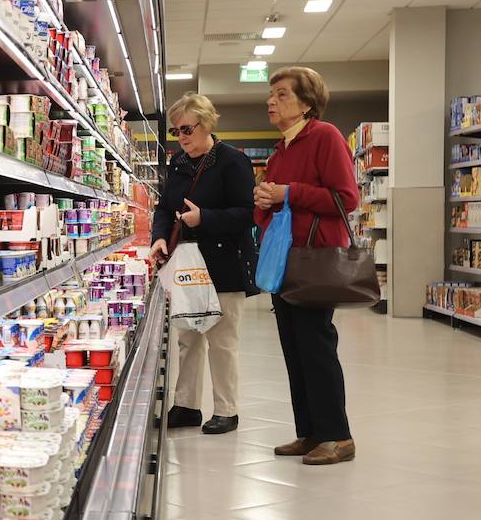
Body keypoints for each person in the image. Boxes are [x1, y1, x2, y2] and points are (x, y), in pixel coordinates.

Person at [253, 67, 359, 466]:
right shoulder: (281, 148)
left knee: (316, 346)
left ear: (306, 103)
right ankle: (310, 432)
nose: (271, 102)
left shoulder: (325, 137)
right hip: (285, 260)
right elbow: (276, 206)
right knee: (294, 348)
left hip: (315, 258)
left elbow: (345, 199)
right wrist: (264, 201)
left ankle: (338, 436)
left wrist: (288, 193)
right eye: (271, 95)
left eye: (281, 95)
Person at [152, 93, 258, 434]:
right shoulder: (178, 164)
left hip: (224, 263)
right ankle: (186, 405)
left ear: (206, 124)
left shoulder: (232, 161)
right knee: (187, 338)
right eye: (175, 131)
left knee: (222, 340)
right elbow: (165, 208)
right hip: (187, 265)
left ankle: (227, 409)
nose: (181, 137)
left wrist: (205, 219)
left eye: (186, 129)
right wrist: (158, 236)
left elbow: (247, 214)